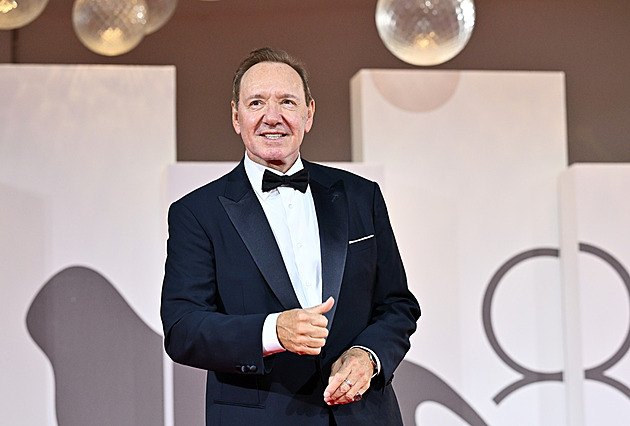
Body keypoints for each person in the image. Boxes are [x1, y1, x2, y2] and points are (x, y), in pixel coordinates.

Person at [160, 47, 420, 425]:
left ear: (308, 114)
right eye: (256, 103)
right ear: (236, 116)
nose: (273, 117)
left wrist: (368, 355)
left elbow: (397, 304)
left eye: (287, 102)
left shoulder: (361, 197)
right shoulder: (197, 213)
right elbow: (183, 329)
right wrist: (273, 332)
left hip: (364, 415)